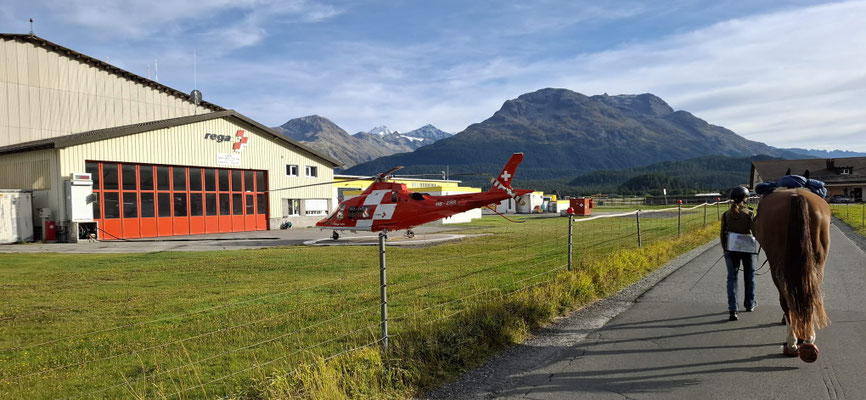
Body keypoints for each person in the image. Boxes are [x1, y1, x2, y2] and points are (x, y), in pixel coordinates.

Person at [720, 186, 756, 321]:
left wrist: (725, 248)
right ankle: (749, 304)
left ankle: (733, 309)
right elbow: (756, 232)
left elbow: (722, 233)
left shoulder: (726, 214)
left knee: (732, 278)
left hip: (731, 249)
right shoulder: (749, 213)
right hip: (747, 249)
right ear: (745, 199)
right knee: (750, 276)